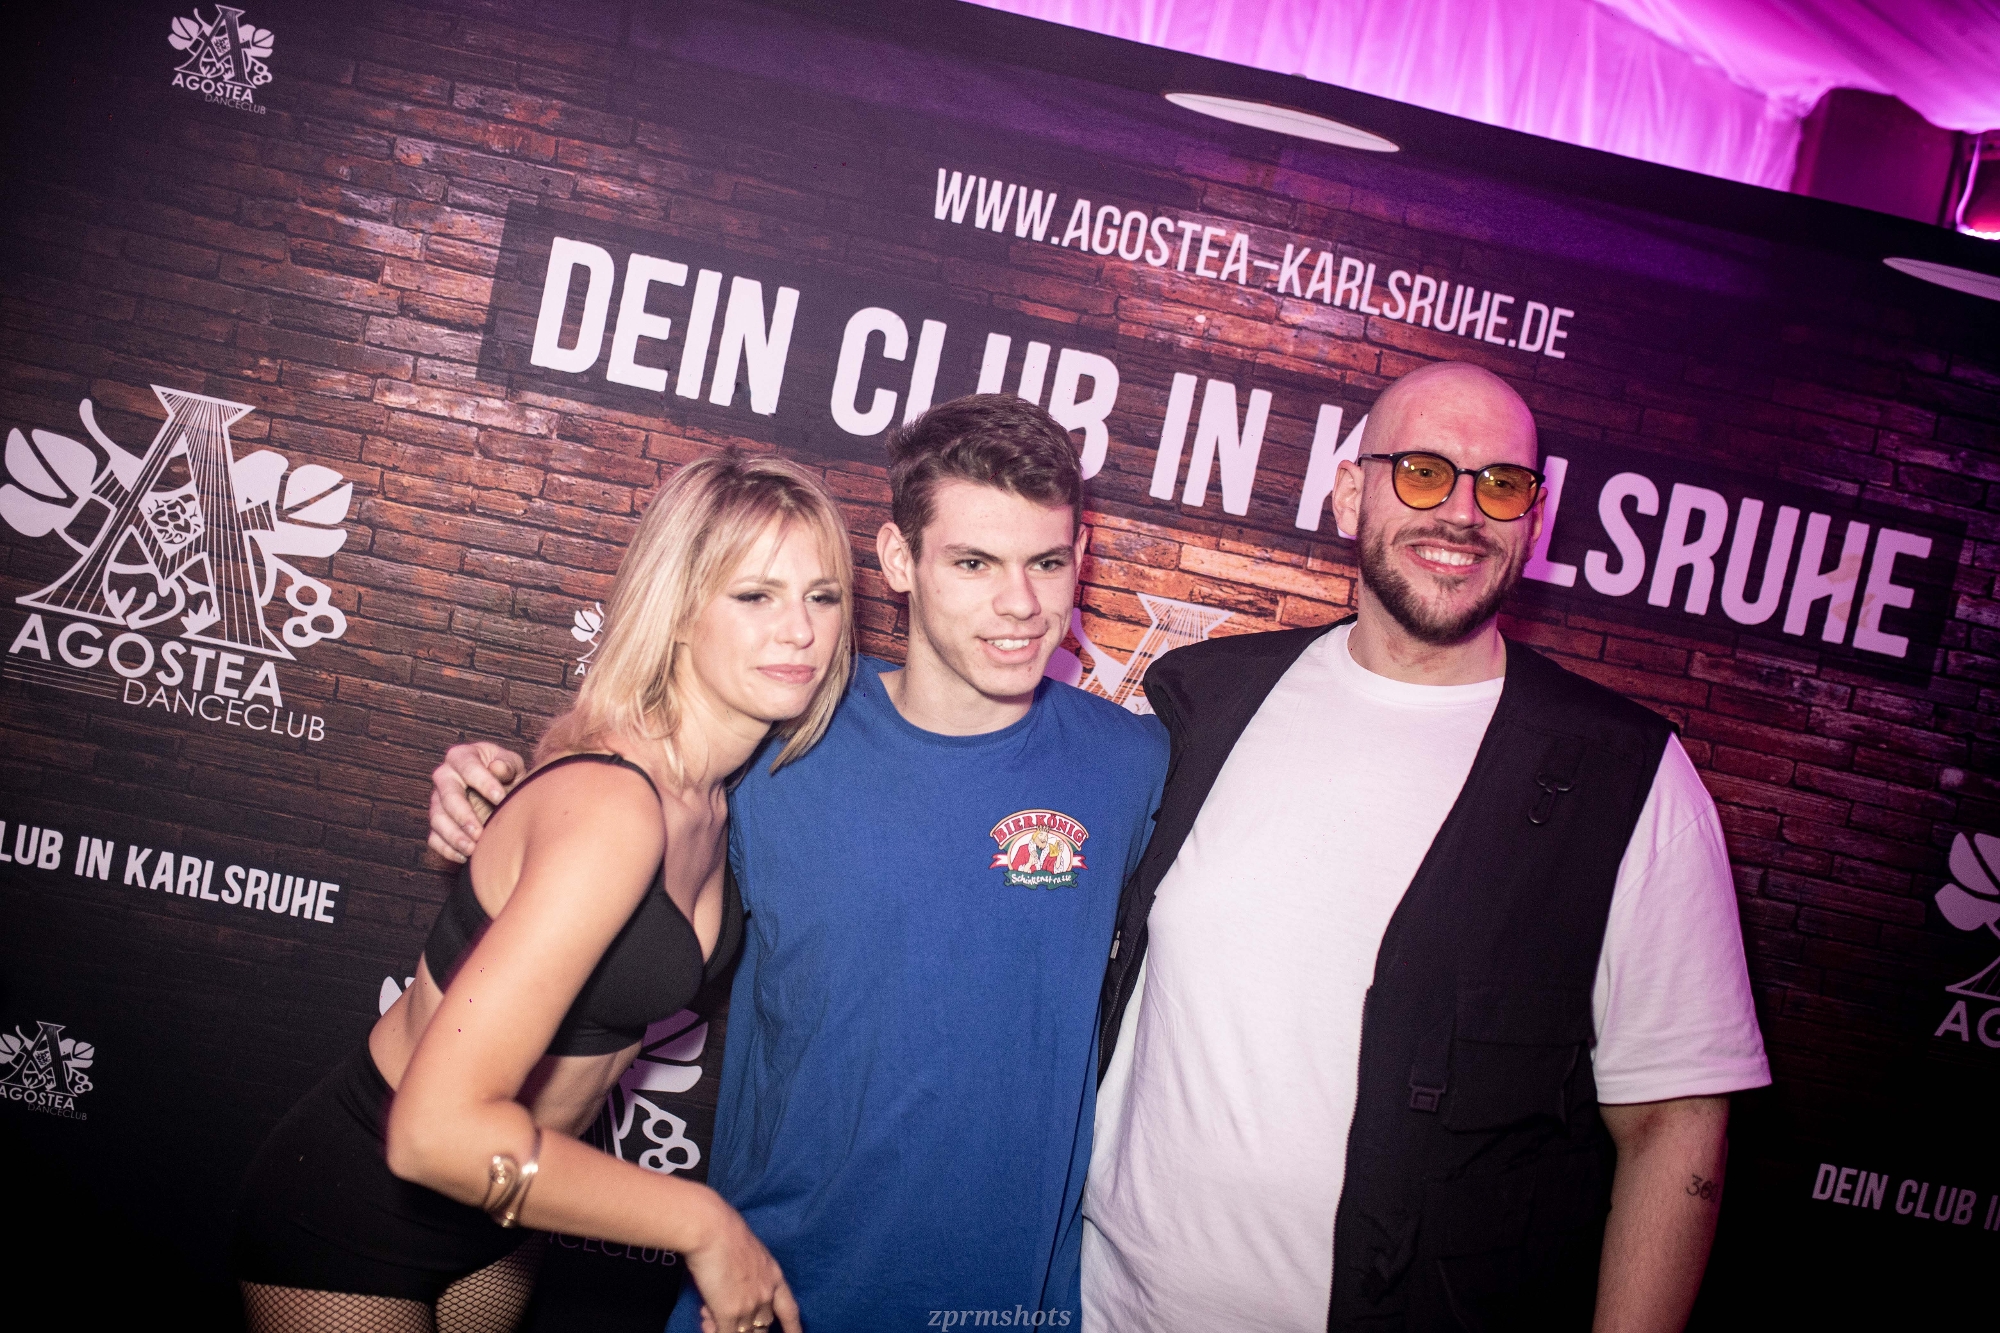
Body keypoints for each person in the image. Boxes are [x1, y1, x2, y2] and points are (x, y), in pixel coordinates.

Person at [427, 396, 1169, 1331]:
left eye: (1048, 562)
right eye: (974, 562)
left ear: (1081, 554)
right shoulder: (782, 728)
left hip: (1006, 1309)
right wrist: (502, 785)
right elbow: (624, 764)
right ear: (898, 559)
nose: (1020, 604)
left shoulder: (1134, 764)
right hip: (767, 1293)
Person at [1083, 361, 1771, 1332]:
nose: (1461, 511)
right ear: (1348, 492)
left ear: (1534, 520)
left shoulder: (1626, 776)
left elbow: (1674, 1124)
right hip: (1106, 1309)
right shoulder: (1205, 697)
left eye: (1500, 484)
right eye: (1421, 471)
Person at [234, 456, 855, 1333]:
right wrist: (705, 1224)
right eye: (756, 595)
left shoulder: (716, 795)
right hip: (364, 1206)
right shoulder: (613, 805)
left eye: (823, 597)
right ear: (678, 608)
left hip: (508, 1214)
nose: (799, 630)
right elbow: (433, 1132)